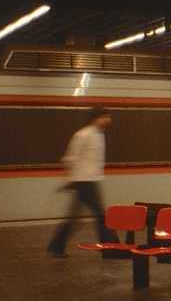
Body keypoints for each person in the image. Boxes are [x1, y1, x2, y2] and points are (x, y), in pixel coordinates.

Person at [47, 108, 118, 257]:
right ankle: (110, 248)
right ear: (96, 118)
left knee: (75, 216)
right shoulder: (82, 135)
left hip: (90, 179)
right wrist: (71, 177)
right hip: (84, 180)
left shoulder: (99, 135)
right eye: (105, 117)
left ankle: (57, 245)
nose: (108, 120)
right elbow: (70, 158)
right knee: (100, 214)